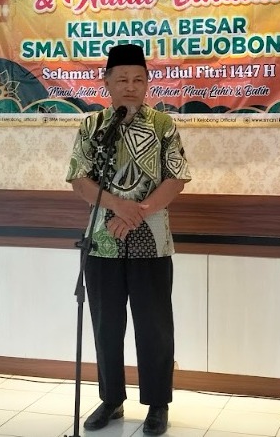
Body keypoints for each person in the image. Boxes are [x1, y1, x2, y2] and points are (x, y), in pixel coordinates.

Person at [66, 44, 191, 436]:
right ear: (106, 82)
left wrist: (138, 212)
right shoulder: (92, 126)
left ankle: (157, 404)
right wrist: (119, 206)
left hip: (152, 242)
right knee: (106, 325)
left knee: (154, 327)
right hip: (102, 242)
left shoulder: (163, 125)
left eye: (138, 79)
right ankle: (111, 399)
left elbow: (177, 178)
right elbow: (79, 180)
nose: (131, 86)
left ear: (148, 83)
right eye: (122, 79)